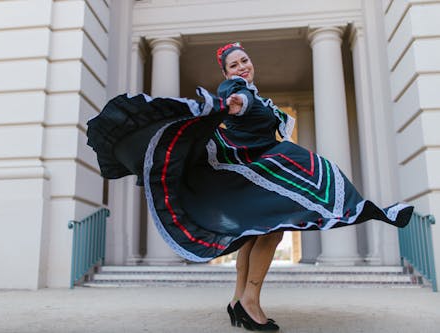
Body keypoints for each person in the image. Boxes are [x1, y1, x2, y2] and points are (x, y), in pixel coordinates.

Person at [86, 42, 413, 332]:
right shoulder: (238, 89)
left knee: (257, 232)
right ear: (227, 72)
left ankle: (238, 301)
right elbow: (236, 98)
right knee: (274, 227)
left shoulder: (254, 93)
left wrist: (243, 101)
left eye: (244, 60)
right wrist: (232, 104)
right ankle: (250, 302)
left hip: (260, 166)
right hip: (255, 167)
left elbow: (246, 99)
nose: (242, 67)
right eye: (234, 64)